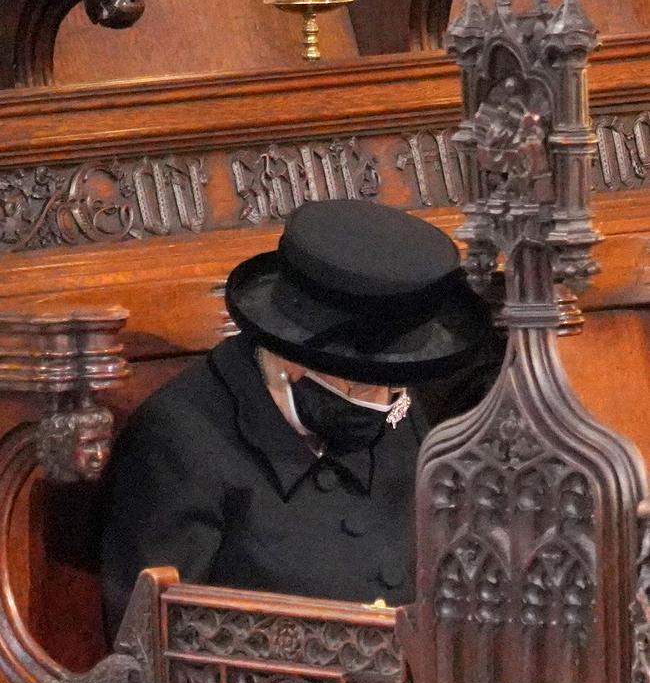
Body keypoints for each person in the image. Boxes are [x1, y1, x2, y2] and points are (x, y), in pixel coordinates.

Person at [100, 200, 499, 641]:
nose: (386, 404)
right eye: (364, 385)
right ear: (293, 357)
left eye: (396, 387)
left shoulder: (395, 400)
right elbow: (154, 650)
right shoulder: (181, 441)